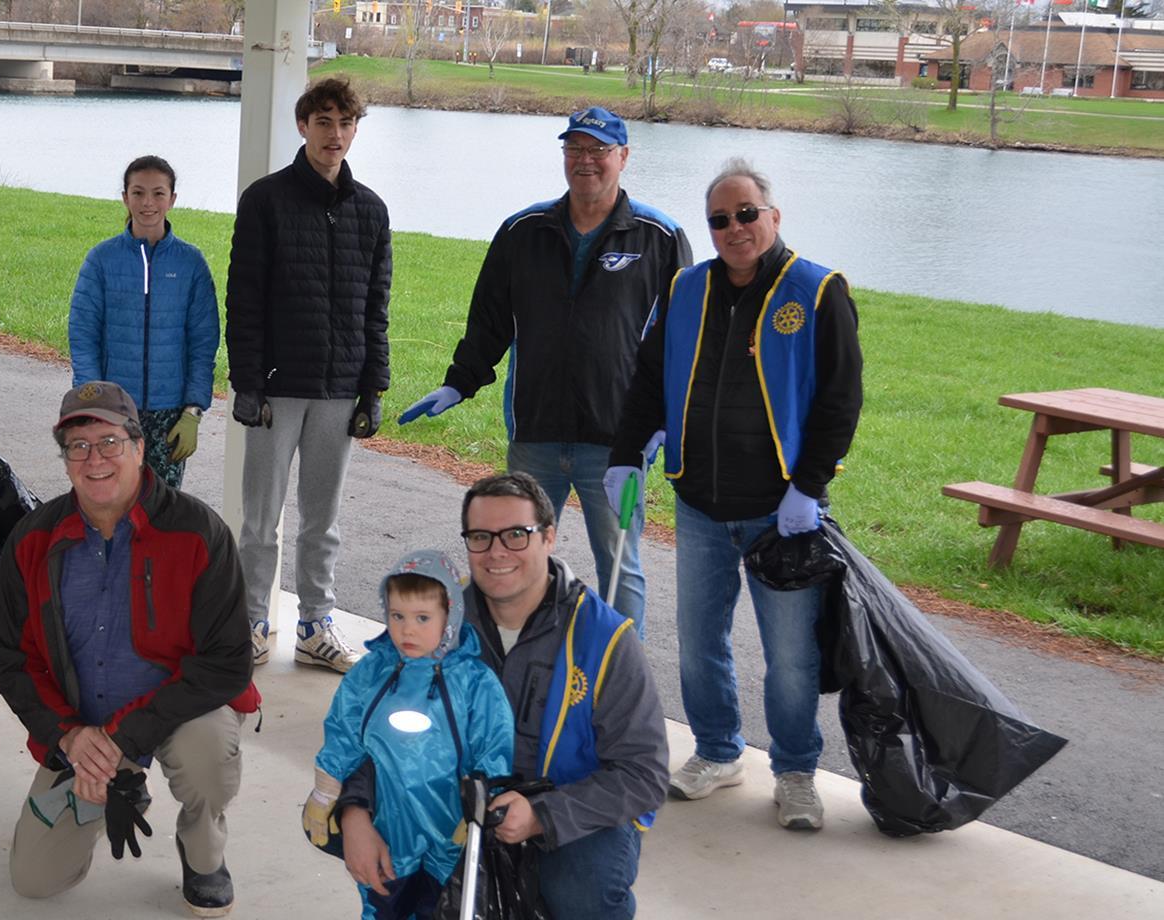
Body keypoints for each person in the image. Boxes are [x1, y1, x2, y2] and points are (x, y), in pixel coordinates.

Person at [608, 158, 862, 832]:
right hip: (699, 506)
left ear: (773, 216)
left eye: (746, 213)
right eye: (719, 219)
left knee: (790, 658)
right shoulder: (686, 288)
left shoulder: (816, 290)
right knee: (700, 643)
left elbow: (841, 400)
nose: (734, 228)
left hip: (784, 514)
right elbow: (649, 378)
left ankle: (797, 771)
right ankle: (718, 752)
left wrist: (809, 487)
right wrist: (626, 455)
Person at [399, 107, 689, 630]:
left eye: (599, 151)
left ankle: (621, 686)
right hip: (535, 437)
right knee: (512, 559)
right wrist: (459, 381)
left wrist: (665, 420)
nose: (586, 161)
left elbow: (682, 338)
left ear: (623, 157)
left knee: (621, 567)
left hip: (619, 449)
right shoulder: (522, 230)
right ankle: (515, 670)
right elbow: (490, 318)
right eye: (575, 149)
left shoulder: (659, 237)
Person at [338, 472, 670, 919]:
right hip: (448, 801)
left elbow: (643, 772)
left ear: (549, 537)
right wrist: (354, 810)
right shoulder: (432, 626)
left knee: (583, 891)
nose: (497, 552)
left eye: (516, 534)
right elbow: (368, 727)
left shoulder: (606, 639)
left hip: (568, 810)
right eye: (481, 536)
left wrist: (543, 815)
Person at [0, 382, 259, 918]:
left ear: (138, 446)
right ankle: (116, 784)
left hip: (175, 711)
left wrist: (122, 738)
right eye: (78, 446)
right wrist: (69, 736)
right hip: (82, 722)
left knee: (207, 756)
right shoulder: (34, 538)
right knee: (35, 881)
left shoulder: (200, 531)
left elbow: (227, 662)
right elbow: (8, 653)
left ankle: (202, 854)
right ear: (65, 461)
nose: (95, 459)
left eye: (109, 441)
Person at [225, 76, 391, 674]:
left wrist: (373, 387)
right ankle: (248, 623)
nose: (336, 135)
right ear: (303, 126)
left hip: (339, 390)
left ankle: (317, 626)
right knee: (260, 519)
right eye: (324, 123)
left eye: (346, 124)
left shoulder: (371, 210)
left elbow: (377, 306)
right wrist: (247, 382)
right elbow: (243, 296)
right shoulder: (266, 200)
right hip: (274, 388)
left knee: (323, 521)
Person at [304, 550, 513, 918]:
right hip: (389, 825)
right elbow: (344, 732)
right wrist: (326, 789)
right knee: (384, 899)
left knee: (443, 906)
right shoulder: (371, 673)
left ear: (449, 616)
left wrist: (483, 802)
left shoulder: (474, 682)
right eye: (397, 615)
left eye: (422, 618)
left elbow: (494, 745)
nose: (407, 629)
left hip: (449, 828)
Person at [67, 155, 219, 490]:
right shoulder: (101, 260)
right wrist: (92, 401)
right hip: (113, 411)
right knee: (110, 504)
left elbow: (203, 341)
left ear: (172, 199)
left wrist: (193, 410)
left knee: (161, 512)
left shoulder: (191, 263)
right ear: (124, 197)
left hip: (171, 413)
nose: (147, 203)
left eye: (158, 193)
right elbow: (83, 334)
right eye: (138, 193)